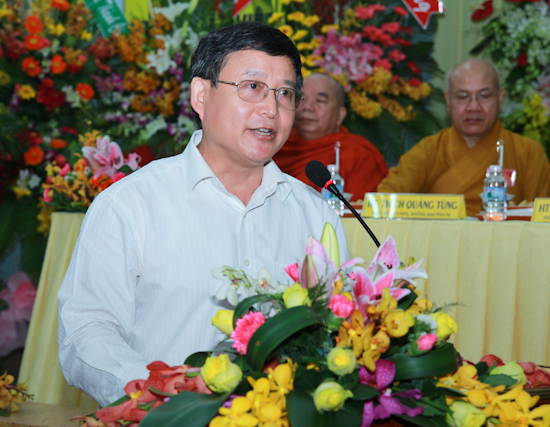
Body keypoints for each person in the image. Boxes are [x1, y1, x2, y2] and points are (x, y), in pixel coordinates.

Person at [57, 22, 350, 407]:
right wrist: (157, 393)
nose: (271, 109)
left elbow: (337, 331)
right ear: (200, 94)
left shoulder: (315, 214)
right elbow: (85, 332)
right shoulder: (130, 205)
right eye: (252, 87)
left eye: (285, 93)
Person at [377, 59, 550, 216]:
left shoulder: (528, 153)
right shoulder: (429, 150)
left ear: (500, 98)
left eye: (484, 96)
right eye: (463, 97)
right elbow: (384, 200)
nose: (474, 107)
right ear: (448, 100)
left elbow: (545, 219)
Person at [274, 73, 388, 202]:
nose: (308, 107)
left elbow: (361, 209)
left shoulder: (356, 153)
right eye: (302, 99)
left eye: (320, 101)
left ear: (340, 115)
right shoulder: (278, 144)